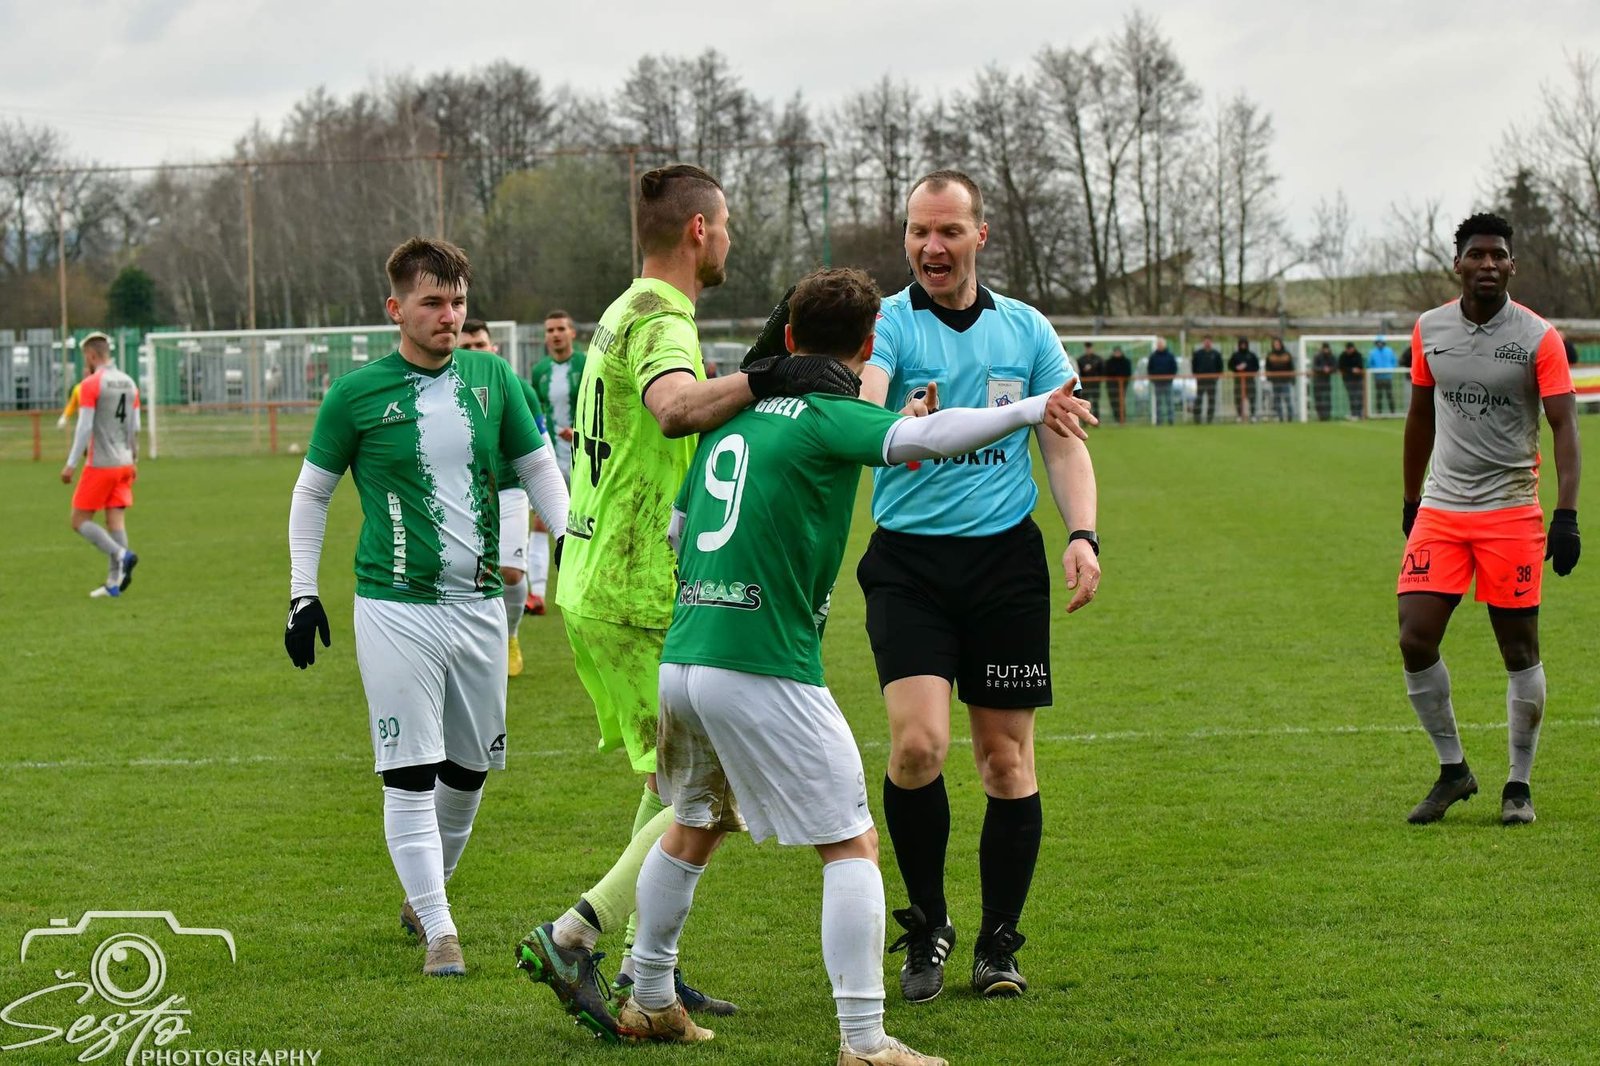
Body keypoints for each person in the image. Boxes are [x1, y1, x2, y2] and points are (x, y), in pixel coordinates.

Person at [627, 268, 1091, 1062]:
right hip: (763, 663)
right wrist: (1027, 407)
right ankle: (865, 1041)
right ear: (871, 342)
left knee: (695, 824)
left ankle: (647, 998)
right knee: (851, 844)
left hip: (687, 656)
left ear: (790, 337)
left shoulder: (732, 419)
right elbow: (926, 441)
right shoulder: (829, 415)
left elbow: (678, 531)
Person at [515, 163, 860, 1038]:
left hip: (600, 571)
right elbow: (673, 408)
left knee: (679, 786)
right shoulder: (663, 317)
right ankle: (576, 935)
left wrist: (756, 373)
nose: (730, 237)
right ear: (699, 230)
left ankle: (648, 971)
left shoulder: (624, 309)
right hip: (635, 584)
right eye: (728, 223)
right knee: (703, 794)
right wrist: (776, 376)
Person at [283, 238, 571, 978]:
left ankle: (424, 897)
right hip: (395, 606)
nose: (450, 316)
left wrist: (572, 539)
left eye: (459, 302)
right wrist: (302, 592)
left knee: (469, 769)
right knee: (411, 769)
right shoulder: (355, 395)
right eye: (433, 302)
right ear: (396, 309)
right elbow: (312, 494)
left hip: (480, 604)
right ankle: (442, 930)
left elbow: (538, 467)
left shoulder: (493, 378)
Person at [856, 169, 1101, 1005]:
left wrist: (1082, 533)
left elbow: (1063, 439)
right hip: (909, 567)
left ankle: (998, 942)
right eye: (919, 231)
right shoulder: (888, 323)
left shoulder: (1026, 328)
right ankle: (928, 924)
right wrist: (880, 412)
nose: (931, 246)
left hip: (1004, 567)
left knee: (1005, 761)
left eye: (949, 231)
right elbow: (871, 405)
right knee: (918, 747)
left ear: (979, 236)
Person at [1397, 212, 1580, 827]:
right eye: (1476, 254)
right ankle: (1454, 771)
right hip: (1443, 508)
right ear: (1458, 263)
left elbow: (1564, 426)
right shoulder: (1429, 329)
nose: (1488, 264)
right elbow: (1420, 415)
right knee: (1415, 637)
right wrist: (1411, 499)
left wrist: (1566, 515)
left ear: (1511, 266)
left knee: (1519, 649)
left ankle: (1518, 784)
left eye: (1498, 254)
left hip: (1511, 511)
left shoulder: (1538, 337)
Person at [459, 318, 553, 677]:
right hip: (462, 493)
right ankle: (472, 646)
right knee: (465, 574)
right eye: (466, 347)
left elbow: (541, 448)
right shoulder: (442, 388)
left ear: (493, 348)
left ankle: (511, 637)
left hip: (510, 489)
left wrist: (548, 499)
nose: (474, 352)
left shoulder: (519, 389)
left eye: (479, 345)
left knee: (511, 574)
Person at [60, 332, 140, 598]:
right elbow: (135, 427)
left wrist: (71, 463)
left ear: (92, 355)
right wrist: (135, 460)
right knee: (115, 520)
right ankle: (114, 584)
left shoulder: (91, 384)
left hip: (101, 463)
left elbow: (84, 427)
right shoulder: (130, 383)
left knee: (78, 520)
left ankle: (121, 554)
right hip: (125, 462)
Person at [527, 310, 586, 615]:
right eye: (550, 330)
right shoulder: (539, 371)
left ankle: (585, 589)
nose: (555, 334)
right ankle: (537, 594)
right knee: (540, 522)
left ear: (572, 332)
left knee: (586, 522)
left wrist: (581, 433)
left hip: (584, 455)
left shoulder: (586, 363)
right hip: (550, 455)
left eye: (561, 328)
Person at [1191, 335, 1224, 423]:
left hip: (1212, 380)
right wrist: (1196, 375)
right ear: (1203, 342)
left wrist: (1216, 377)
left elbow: (1220, 367)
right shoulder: (1198, 354)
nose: (1207, 343)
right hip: (1201, 380)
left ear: (1211, 342)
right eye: (1206, 341)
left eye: (1209, 341)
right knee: (1198, 399)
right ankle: (1197, 418)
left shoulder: (1216, 354)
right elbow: (1194, 365)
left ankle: (1209, 419)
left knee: (1211, 400)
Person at [1147, 337, 1178, 425]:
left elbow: (1174, 368)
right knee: (1158, 403)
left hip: (1168, 382)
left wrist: (1170, 377)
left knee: (1169, 401)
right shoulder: (1153, 356)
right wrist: (1153, 378)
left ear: (1164, 345)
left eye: (1161, 344)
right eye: (1158, 344)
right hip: (1157, 382)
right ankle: (1159, 421)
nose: (1160, 345)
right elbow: (1149, 368)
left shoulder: (1170, 356)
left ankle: (1171, 420)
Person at [1264, 338, 1295, 421]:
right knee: (1277, 400)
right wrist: (1269, 378)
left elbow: (1291, 367)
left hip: (1285, 380)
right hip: (1275, 381)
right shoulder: (1270, 355)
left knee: (1287, 399)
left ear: (1281, 344)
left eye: (1278, 344)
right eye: (1275, 344)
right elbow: (1267, 367)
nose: (1276, 346)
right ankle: (1280, 417)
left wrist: (1292, 379)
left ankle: (1290, 417)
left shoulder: (1287, 354)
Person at [1228, 337, 1259, 422]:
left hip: (1249, 379)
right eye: (1241, 344)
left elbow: (1256, 367)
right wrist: (1237, 368)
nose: (1243, 345)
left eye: (1244, 344)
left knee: (1252, 397)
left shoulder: (1251, 355)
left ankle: (1253, 415)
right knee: (1238, 397)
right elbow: (1230, 365)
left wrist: (1248, 368)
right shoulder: (1235, 355)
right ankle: (1239, 415)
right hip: (1238, 379)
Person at [1369, 335, 1399, 415]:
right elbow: (1370, 363)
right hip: (1378, 377)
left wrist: (1391, 369)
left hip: (1388, 376)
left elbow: (1394, 361)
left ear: (1384, 343)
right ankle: (1379, 412)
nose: (1379, 344)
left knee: (1389, 394)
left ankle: (1393, 412)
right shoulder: (1372, 352)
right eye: (1378, 342)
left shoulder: (1389, 351)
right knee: (1379, 395)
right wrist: (1375, 370)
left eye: (1381, 342)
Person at [1104, 345, 1132, 424]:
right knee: (1113, 402)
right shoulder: (1109, 362)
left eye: (1118, 352)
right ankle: (1116, 419)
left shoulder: (1126, 361)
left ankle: (1122, 419)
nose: (1117, 353)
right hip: (1111, 385)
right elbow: (1107, 373)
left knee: (1121, 401)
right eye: (1116, 352)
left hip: (1123, 385)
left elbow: (1128, 373)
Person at [1075, 342, 1104, 420]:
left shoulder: (1098, 359)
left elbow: (1102, 371)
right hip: (1085, 384)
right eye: (1087, 348)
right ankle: (1085, 420)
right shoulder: (1081, 359)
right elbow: (1079, 372)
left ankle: (1096, 419)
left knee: (1095, 402)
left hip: (1095, 384)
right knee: (1085, 401)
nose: (1088, 350)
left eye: (1089, 348)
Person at [1339, 342, 1366, 420]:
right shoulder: (1343, 356)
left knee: (1359, 396)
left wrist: (1358, 370)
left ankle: (1360, 413)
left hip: (1358, 379)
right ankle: (1354, 413)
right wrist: (1351, 370)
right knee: (1352, 396)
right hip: (1348, 379)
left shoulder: (1358, 355)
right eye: (1348, 349)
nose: (1349, 350)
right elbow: (1341, 367)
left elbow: (1361, 366)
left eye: (1350, 349)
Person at [1311, 342, 1338, 422]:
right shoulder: (1317, 356)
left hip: (1326, 381)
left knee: (1326, 398)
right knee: (1318, 399)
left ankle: (1327, 416)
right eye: (1324, 348)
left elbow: (1335, 367)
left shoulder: (1331, 357)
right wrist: (1322, 369)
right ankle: (1320, 416)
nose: (1326, 350)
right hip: (1317, 381)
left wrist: (1330, 369)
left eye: (1327, 348)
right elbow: (1314, 367)